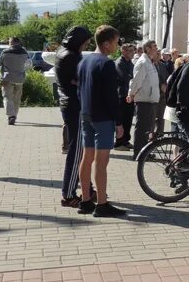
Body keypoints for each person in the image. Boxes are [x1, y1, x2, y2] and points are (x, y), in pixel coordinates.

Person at [76, 25, 126, 217]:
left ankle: (86, 200)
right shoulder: (106, 64)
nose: (117, 45)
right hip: (103, 118)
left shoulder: (84, 62)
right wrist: (119, 122)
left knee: (87, 158)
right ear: (106, 44)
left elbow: (79, 90)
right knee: (101, 162)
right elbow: (112, 97)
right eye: (115, 41)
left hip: (86, 115)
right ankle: (102, 204)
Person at [56, 27, 92, 205]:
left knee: (81, 151)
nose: (87, 45)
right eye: (85, 42)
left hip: (69, 104)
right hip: (75, 106)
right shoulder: (70, 56)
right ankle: (68, 194)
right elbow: (79, 80)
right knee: (77, 152)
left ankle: (87, 188)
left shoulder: (64, 52)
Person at [128, 41, 161, 159]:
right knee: (142, 129)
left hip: (151, 100)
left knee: (148, 129)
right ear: (147, 48)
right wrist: (131, 94)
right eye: (154, 47)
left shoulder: (150, 62)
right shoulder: (142, 62)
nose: (156, 49)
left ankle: (145, 152)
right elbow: (136, 81)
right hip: (144, 100)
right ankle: (139, 154)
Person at [0, 36, 31, 125]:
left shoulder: (5, 52)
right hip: (20, 78)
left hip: (7, 78)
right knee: (17, 98)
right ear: (18, 42)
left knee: (7, 97)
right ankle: (14, 116)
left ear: (11, 42)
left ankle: (11, 115)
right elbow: (28, 64)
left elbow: (0, 63)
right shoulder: (24, 52)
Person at [114, 43, 135, 150]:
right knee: (121, 120)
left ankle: (126, 140)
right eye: (130, 51)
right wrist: (133, 79)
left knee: (128, 119)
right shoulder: (119, 63)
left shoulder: (131, 63)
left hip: (130, 95)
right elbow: (125, 77)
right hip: (121, 95)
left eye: (133, 50)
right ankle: (118, 143)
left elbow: (133, 76)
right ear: (124, 51)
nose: (133, 53)